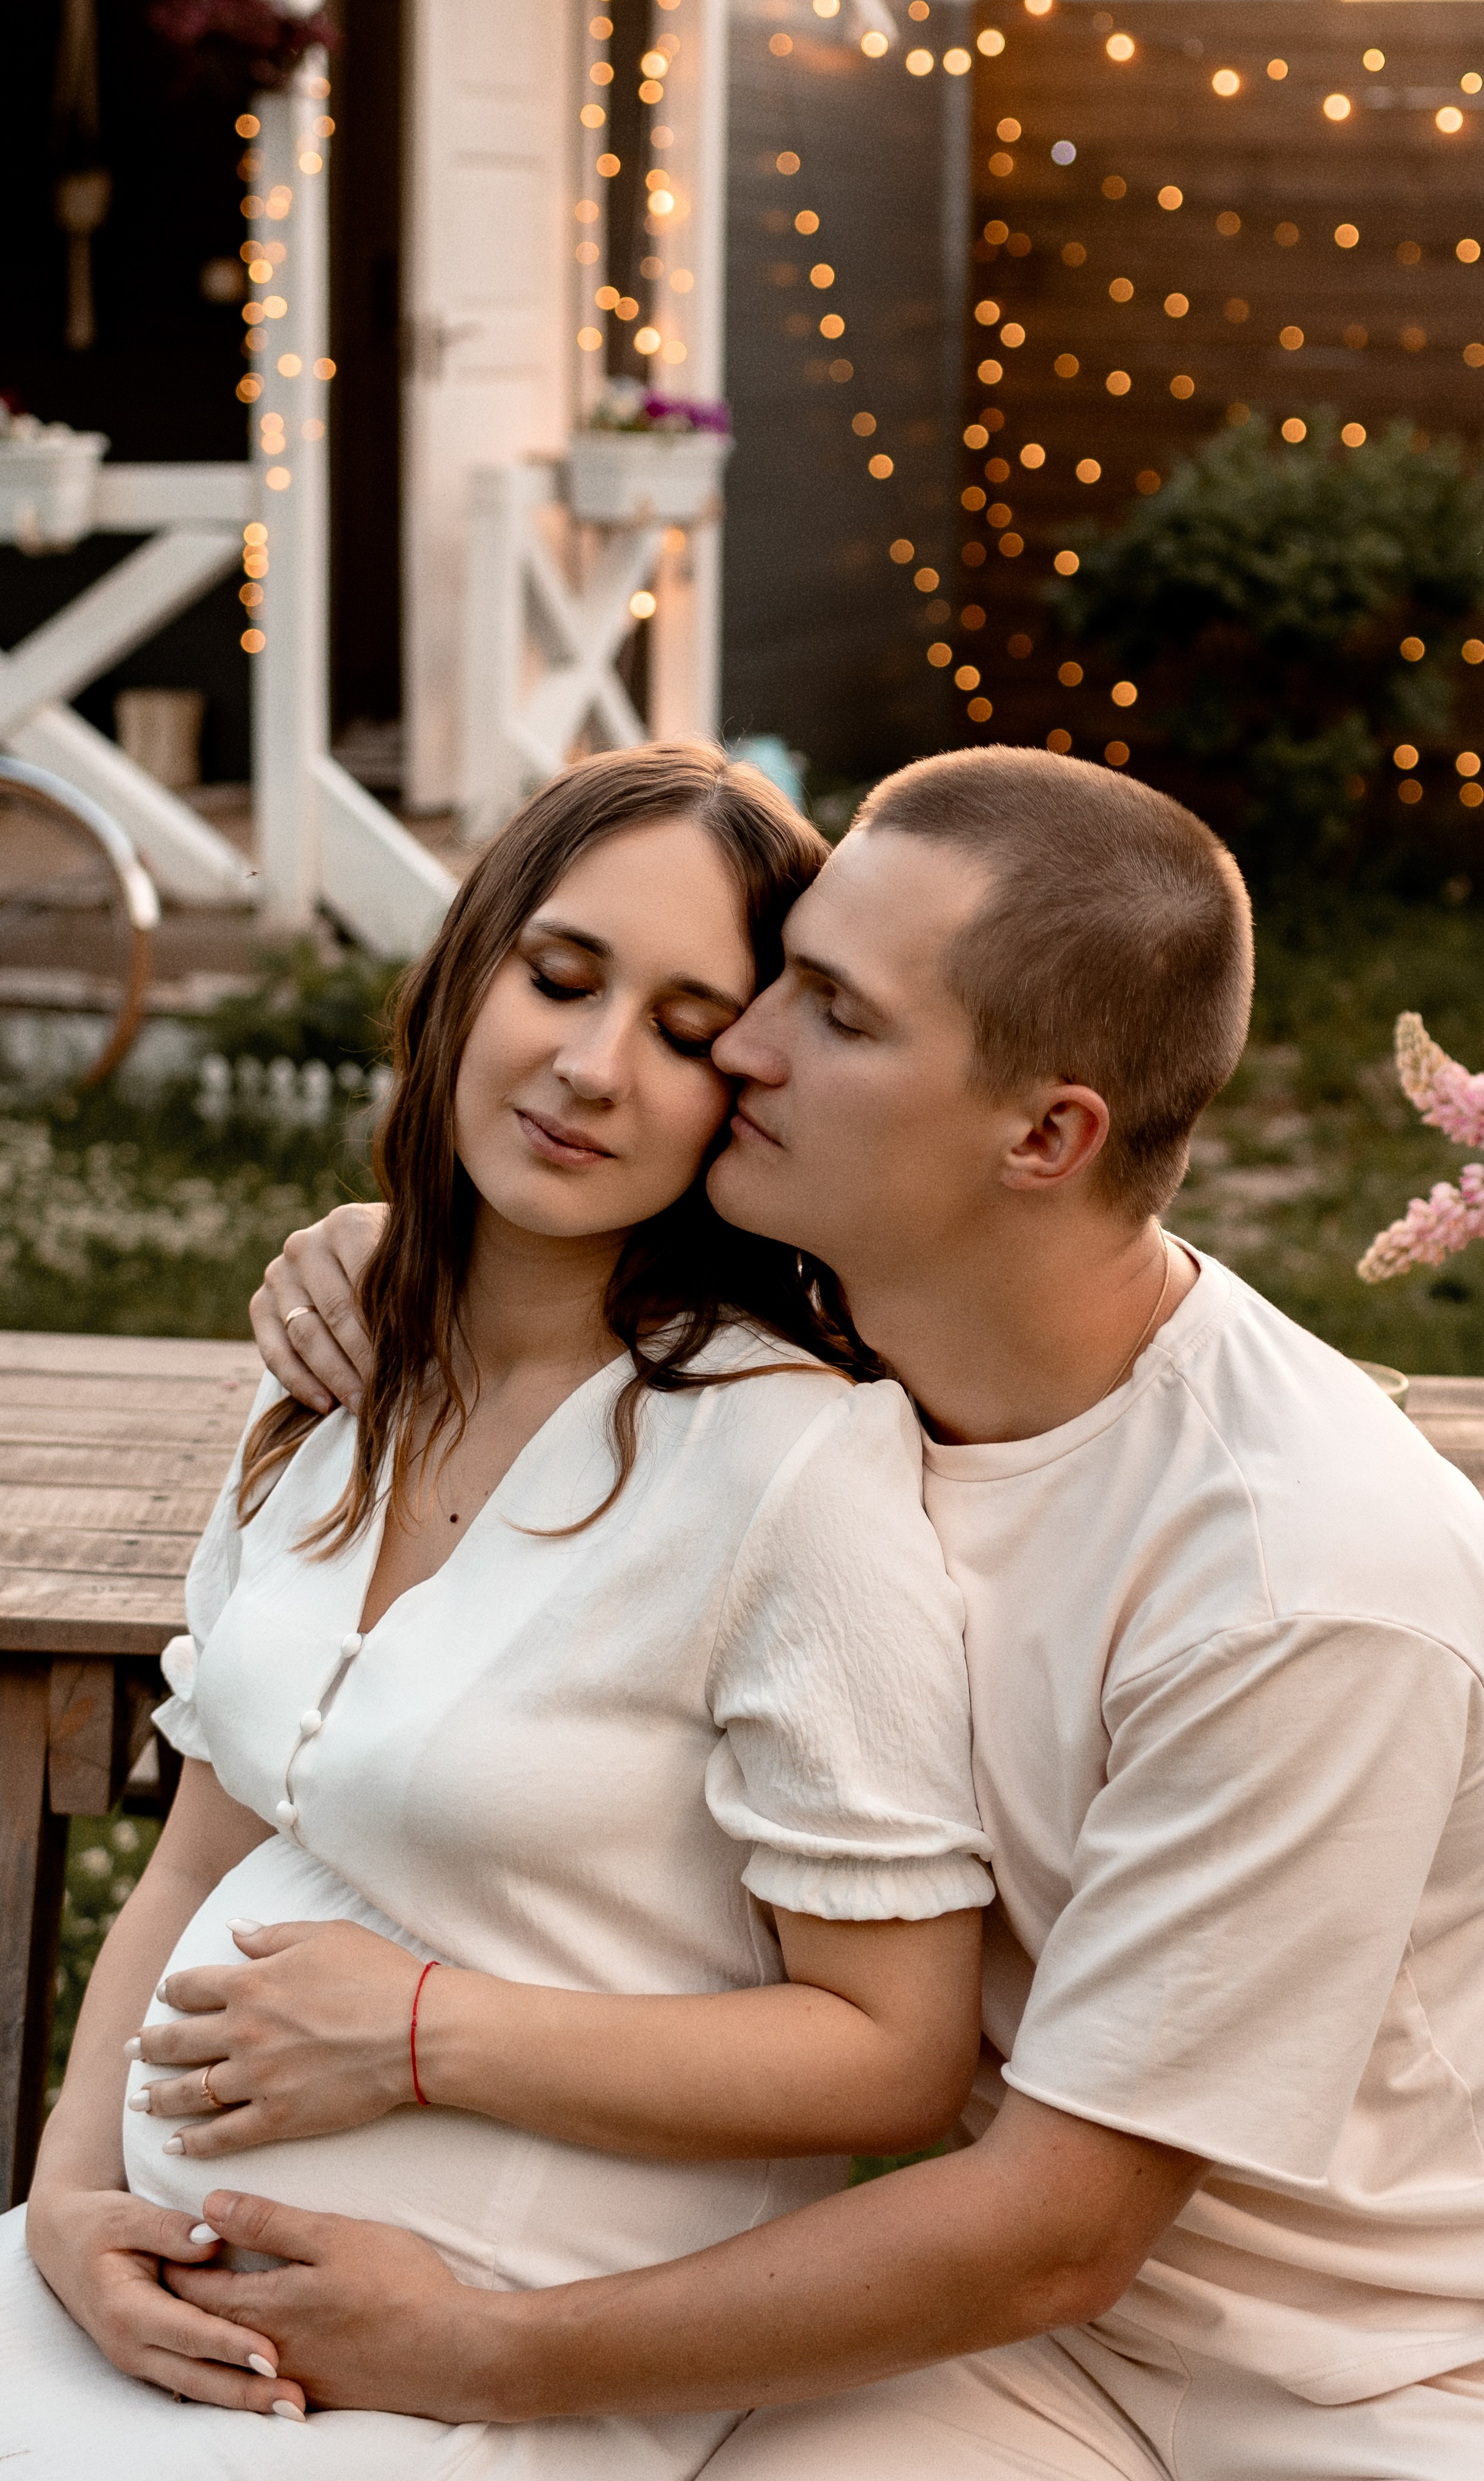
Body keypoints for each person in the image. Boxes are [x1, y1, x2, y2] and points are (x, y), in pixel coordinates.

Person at [223, 745, 1484, 2478]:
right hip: (1010, 2345)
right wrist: (401, 1249)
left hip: (1357, 2388)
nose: (742, 1046)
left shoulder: (1296, 1582)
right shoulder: (859, 1327)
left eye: (834, 1014)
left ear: (1044, 1137)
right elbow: (553, 1252)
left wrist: (472, 2351)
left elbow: (1061, 2227)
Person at [2, 741, 997, 2481]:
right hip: (147, 2301)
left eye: (685, 1030)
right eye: (560, 976)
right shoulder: (333, 1382)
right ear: (468, 973)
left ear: (748, 1087)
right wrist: (73, 2212)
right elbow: (196, 1860)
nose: (593, 1068)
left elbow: (895, 2058)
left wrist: (418, 2043)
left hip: (504, 2360)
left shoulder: (787, 1466)